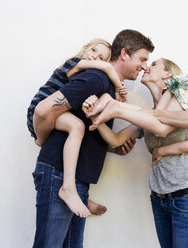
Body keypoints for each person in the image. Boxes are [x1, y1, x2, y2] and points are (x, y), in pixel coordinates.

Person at [83, 58, 188, 247]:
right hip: (159, 199)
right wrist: (93, 116)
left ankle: (115, 107)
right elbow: (116, 140)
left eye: (154, 64)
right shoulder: (147, 116)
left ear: (167, 75)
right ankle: (114, 107)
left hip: (186, 198)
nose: (147, 67)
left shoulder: (187, 100)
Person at [31, 29, 154, 248]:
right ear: (125, 54)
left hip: (77, 180)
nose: (145, 66)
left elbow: (86, 128)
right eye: (143, 59)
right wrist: (40, 138)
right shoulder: (96, 78)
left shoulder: (107, 87)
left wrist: (111, 148)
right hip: (58, 175)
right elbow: (42, 111)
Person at [27, 38, 127, 217]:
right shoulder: (73, 63)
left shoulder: (87, 73)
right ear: (85, 49)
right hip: (38, 110)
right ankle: (68, 188)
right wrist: (119, 88)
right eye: (94, 50)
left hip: (54, 115)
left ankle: (80, 196)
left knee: (79, 126)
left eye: (101, 57)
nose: (94, 57)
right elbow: (107, 68)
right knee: (77, 126)